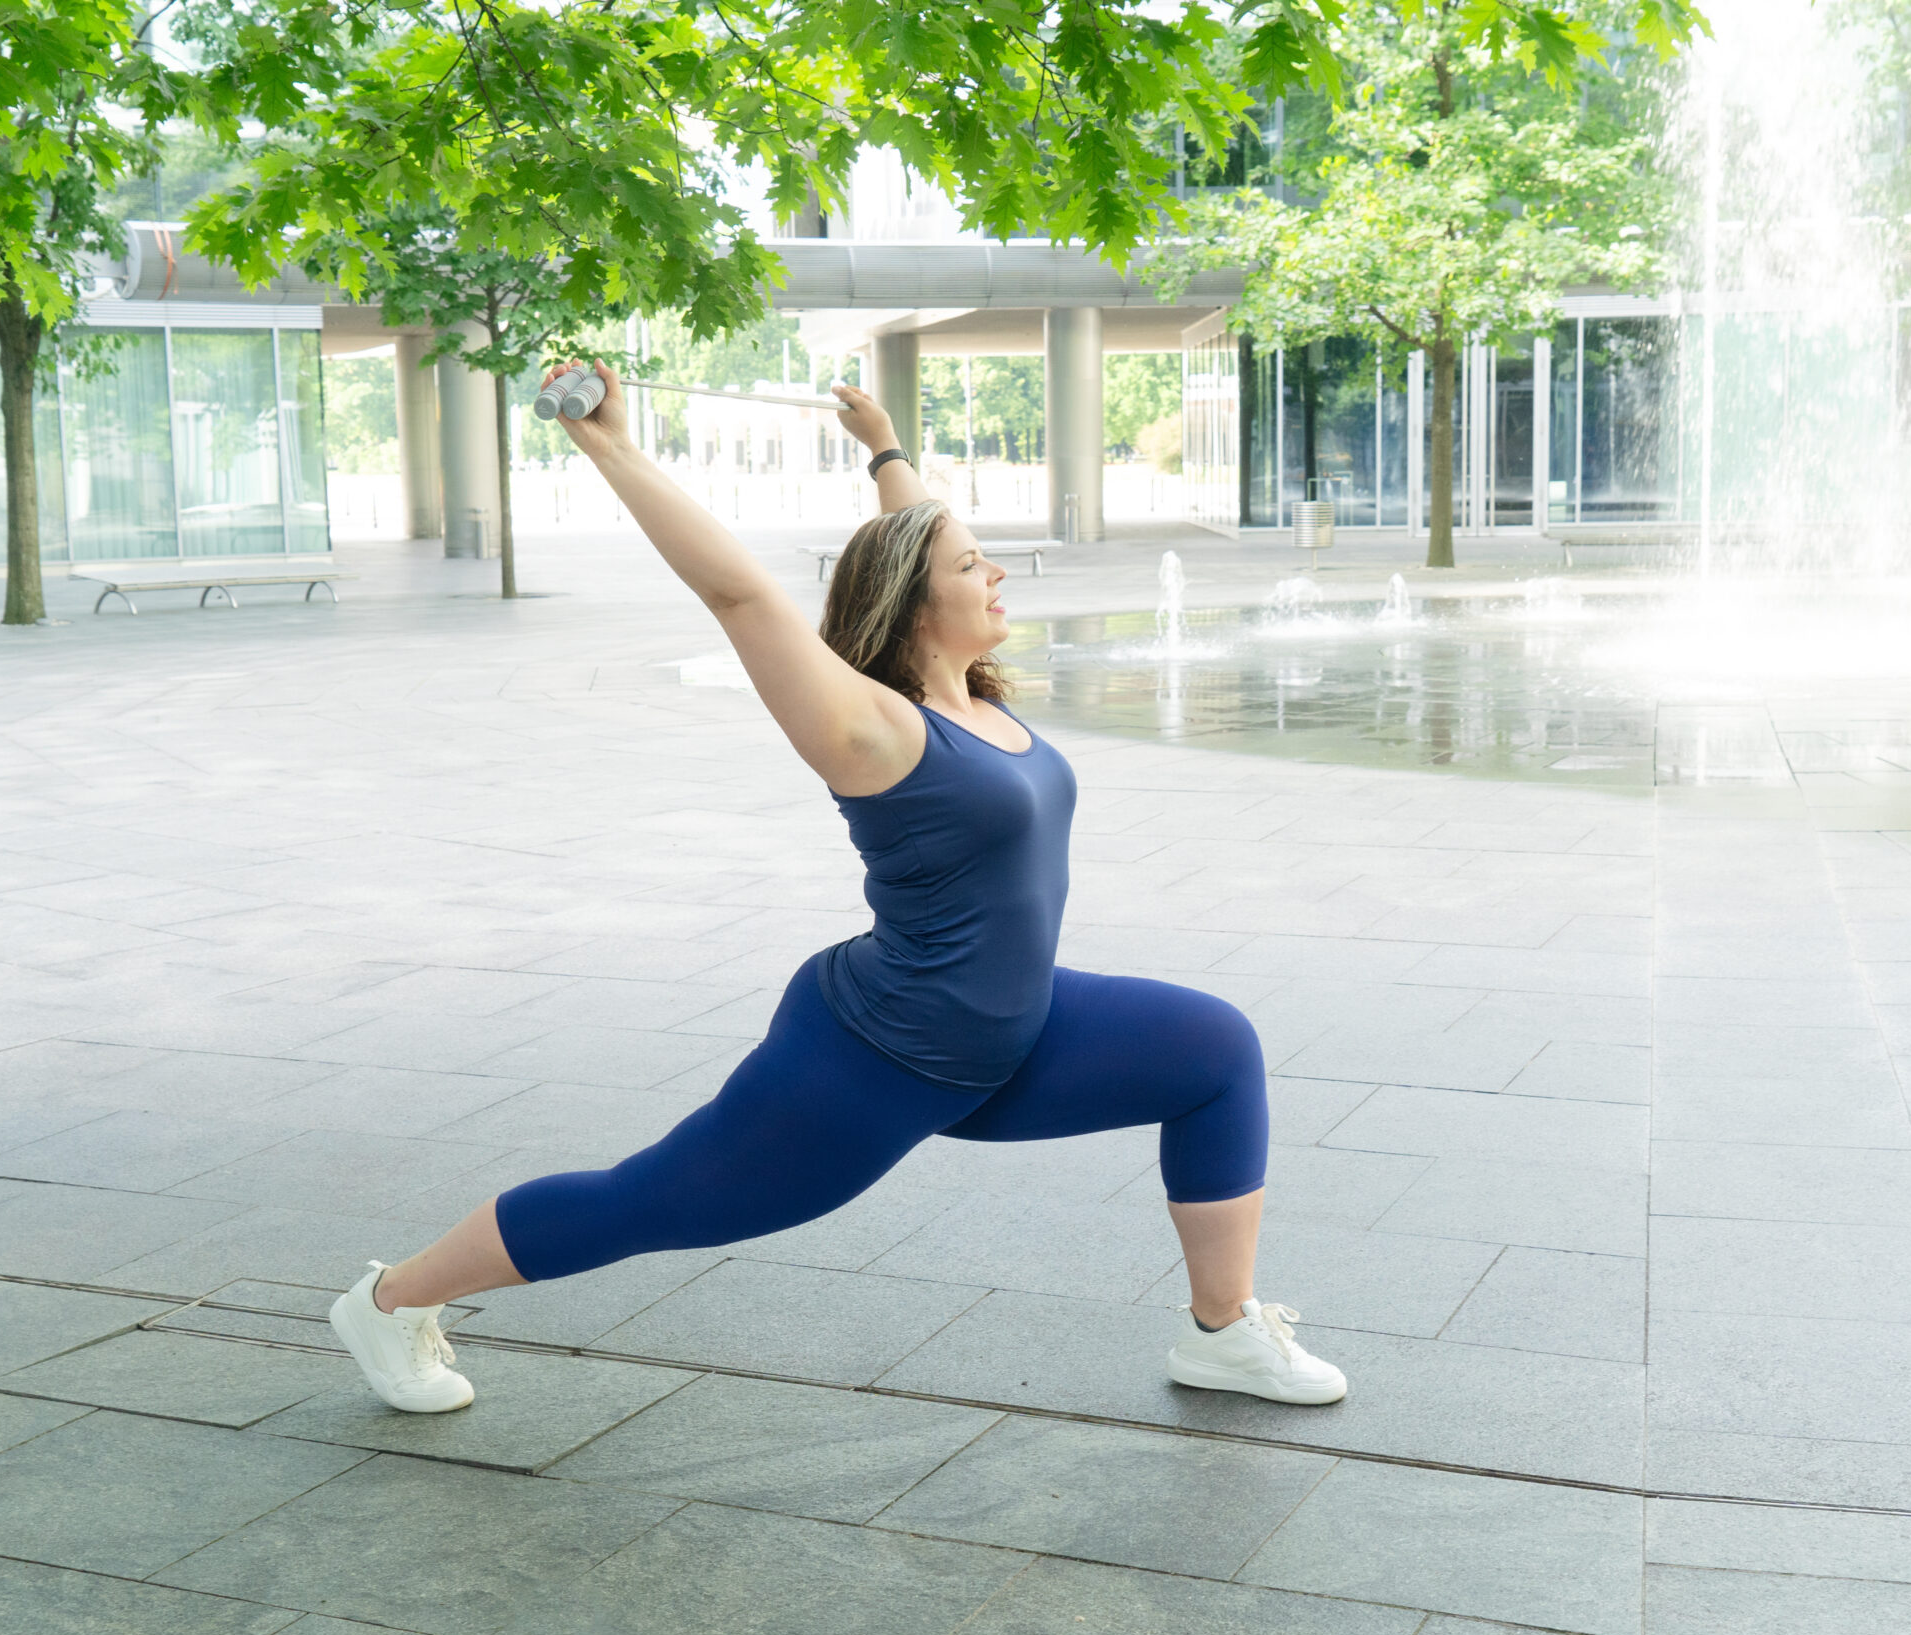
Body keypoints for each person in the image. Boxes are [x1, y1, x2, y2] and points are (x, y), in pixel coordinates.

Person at [326, 362, 1346, 1413]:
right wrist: (611, 445)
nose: (996, 572)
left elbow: (915, 536)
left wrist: (885, 446)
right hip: (882, 1054)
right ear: (916, 605)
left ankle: (1223, 1334)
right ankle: (391, 1300)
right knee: (651, 1204)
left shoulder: (961, 693)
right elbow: (739, 593)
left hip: (1014, 1028)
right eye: (974, 564)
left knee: (1214, 1049)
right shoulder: (873, 729)